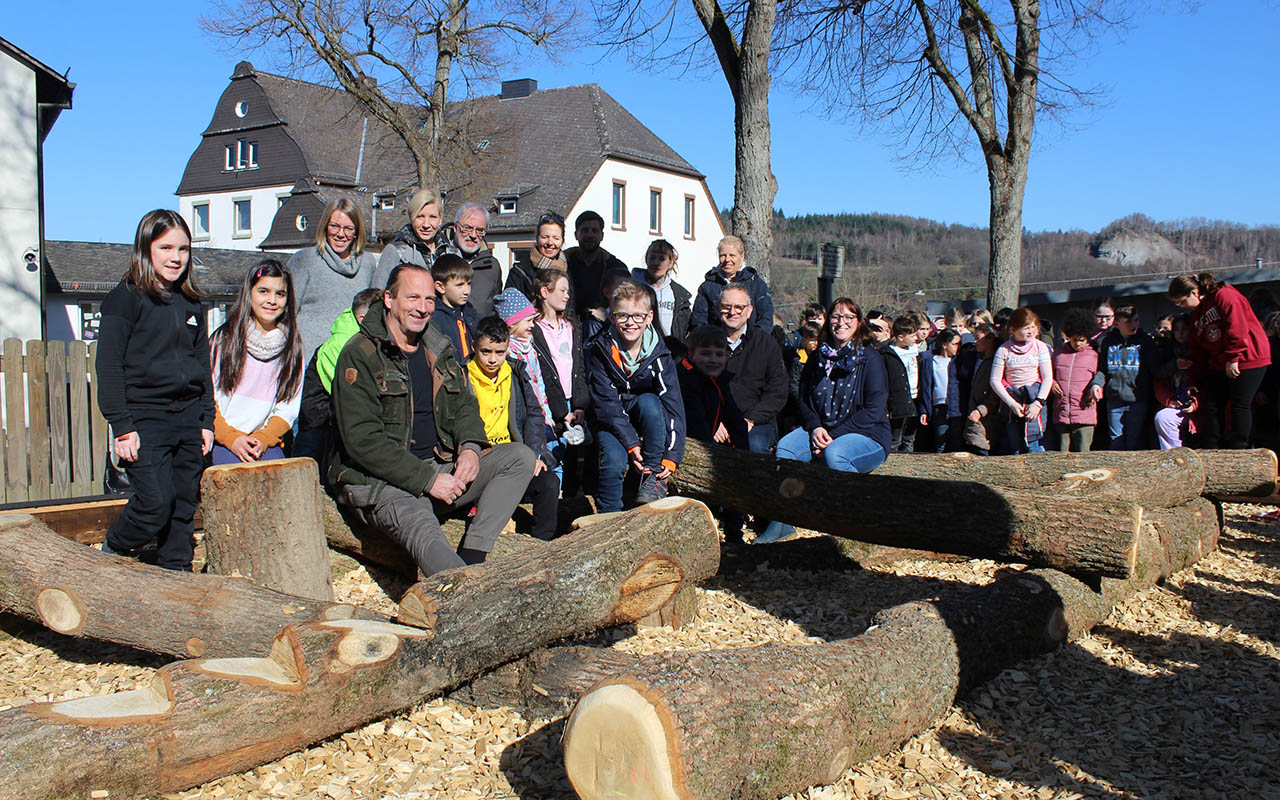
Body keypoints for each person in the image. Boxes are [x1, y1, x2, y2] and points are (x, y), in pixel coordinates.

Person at [328, 262, 535, 575]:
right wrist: (428, 481)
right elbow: (362, 441)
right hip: (384, 482)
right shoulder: (360, 354)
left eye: (428, 300)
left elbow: (464, 405)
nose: (422, 308)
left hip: (440, 464)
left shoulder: (437, 346)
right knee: (423, 525)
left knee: (519, 457)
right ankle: (463, 598)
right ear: (388, 299)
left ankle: (473, 558)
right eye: (412, 298)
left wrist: (469, 448)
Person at [96, 210, 215, 570]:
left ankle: (175, 569)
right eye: (165, 248)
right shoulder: (126, 299)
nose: (175, 257)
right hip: (144, 418)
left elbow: (201, 367)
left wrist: (206, 420)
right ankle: (114, 550)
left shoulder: (191, 303)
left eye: (183, 249)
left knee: (182, 503)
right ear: (146, 248)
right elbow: (109, 366)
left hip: (187, 417)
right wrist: (122, 426)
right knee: (155, 502)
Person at [754, 298, 891, 544]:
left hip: (867, 434)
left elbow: (874, 408)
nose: (842, 322)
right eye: (836, 317)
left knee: (835, 455)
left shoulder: (870, 358)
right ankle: (781, 524)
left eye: (849, 317)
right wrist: (816, 427)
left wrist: (832, 435)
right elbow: (804, 399)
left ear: (858, 323)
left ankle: (859, 524)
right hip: (821, 429)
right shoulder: (818, 356)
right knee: (785, 449)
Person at [585, 280, 686, 511]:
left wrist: (672, 455)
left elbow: (673, 405)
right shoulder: (600, 350)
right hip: (611, 419)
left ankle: (653, 478)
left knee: (650, 401)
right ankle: (607, 516)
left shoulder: (660, 354)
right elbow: (606, 403)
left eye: (638, 316)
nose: (630, 322)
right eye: (623, 316)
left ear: (649, 317)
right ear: (612, 317)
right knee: (613, 461)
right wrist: (631, 444)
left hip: (648, 418)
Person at [467, 317, 560, 540]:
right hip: (479, 458)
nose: (492, 360)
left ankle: (542, 545)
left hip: (514, 455)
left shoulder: (515, 374)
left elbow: (534, 414)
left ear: (508, 348)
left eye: (499, 352)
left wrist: (534, 454)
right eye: (486, 352)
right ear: (474, 348)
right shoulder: (463, 377)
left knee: (549, 483)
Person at [210, 261, 305, 465]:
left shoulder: (292, 348)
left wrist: (264, 438)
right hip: (223, 437)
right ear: (249, 293)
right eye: (263, 291)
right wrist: (231, 438)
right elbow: (209, 397)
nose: (272, 300)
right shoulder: (224, 340)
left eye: (280, 294)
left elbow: (288, 407)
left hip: (264, 440)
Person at [1169, 273, 1272, 449]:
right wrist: (1195, 379)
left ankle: (1239, 450)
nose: (1182, 306)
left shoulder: (1224, 295)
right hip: (1221, 361)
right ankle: (1213, 448)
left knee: (1239, 404)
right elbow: (1198, 350)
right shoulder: (1196, 315)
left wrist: (1233, 357)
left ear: (1194, 292)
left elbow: (1236, 326)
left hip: (1247, 356)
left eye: (1182, 301)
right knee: (1213, 404)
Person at [678, 325, 749, 542]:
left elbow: (736, 419)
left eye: (719, 354)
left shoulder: (720, 380)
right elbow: (696, 422)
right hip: (690, 446)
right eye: (706, 354)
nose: (713, 360)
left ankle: (734, 533)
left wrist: (743, 456)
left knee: (736, 473)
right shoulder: (686, 379)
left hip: (712, 444)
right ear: (692, 355)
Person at [296, 287, 383, 464]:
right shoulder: (342, 345)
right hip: (318, 421)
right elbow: (349, 388)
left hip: (332, 415)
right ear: (363, 319)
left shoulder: (361, 338)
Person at [288, 198, 378, 360]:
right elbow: (286, 313)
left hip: (350, 360)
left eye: (348, 228)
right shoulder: (305, 260)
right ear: (325, 227)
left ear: (357, 231)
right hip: (309, 362)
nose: (341, 234)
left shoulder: (367, 263)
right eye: (334, 226)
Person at [531, 268, 591, 489]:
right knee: (554, 455)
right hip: (549, 405)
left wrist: (580, 404)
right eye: (562, 290)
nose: (567, 295)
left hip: (572, 402)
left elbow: (579, 368)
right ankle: (553, 506)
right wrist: (558, 411)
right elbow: (543, 375)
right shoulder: (534, 329)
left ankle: (569, 504)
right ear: (545, 291)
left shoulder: (571, 325)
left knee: (573, 455)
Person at [718, 284, 788, 454]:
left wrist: (750, 419)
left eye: (739, 307)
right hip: (716, 421)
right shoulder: (707, 343)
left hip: (757, 422)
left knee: (753, 446)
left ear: (749, 311)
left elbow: (777, 391)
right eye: (727, 306)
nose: (732, 312)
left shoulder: (767, 345)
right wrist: (713, 420)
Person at [1089, 305, 1162, 451]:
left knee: (1134, 441)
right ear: (1117, 323)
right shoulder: (1108, 341)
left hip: (1137, 399)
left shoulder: (1145, 341)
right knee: (1116, 441)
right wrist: (1096, 384)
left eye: (1136, 320)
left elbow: (1157, 369)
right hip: (1114, 399)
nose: (1133, 325)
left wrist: (1175, 364)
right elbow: (1102, 369)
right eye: (1128, 321)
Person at [990, 307, 1053, 454]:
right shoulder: (1003, 350)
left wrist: (1038, 403)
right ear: (1013, 329)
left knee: (1032, 444)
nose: (1030, 331)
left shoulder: (1041, 347)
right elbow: (995, 379)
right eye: (1025, 328)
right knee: (1015, 446)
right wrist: (1011, 403)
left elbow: (1047, 377)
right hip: (1012, 402)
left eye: (1032, 327)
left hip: (1034, 401)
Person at [690, 235, 774, 333]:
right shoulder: (707, 287)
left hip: (751, 344)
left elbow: (766, 319)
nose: (727, 260)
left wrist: (753, 341)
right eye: (723, 255)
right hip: (717, 345)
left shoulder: (756, 284)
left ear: (742, 256)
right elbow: (698, 321)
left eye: (732, 255)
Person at [563, 210, 630, 324]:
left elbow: (626, 300)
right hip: (567, 325)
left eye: (594, 231)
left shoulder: (615, 267)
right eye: (585, 230)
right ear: (576, 235)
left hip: (603, 327)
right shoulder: (563, 263)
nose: (590, 235)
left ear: (601, 235)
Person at [1049, 308, 1101, 452]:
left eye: (1082, 340)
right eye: (1074, 340)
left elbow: (1100, 375)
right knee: (1061, 454)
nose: (1078, 344)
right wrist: (1052, 383)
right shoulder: (1058, 354)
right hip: (1061, 412)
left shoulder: (1094, 356)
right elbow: (1048, 374)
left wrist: (1096, 388)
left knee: (1083, 454)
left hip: (1084, 413)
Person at [438, 202, 503, 318]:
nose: (473, 235)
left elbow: (496, 310)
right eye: (467, 228)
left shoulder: (492, 266)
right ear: (455, 228)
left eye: (479, 230)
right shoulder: (438, 257)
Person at [373, 188, 443, 289]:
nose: (426, 224)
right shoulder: (397, 252)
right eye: (420, 217)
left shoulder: (450, 252)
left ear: (440, 219)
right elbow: (377, 294)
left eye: (432, 217)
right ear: (411, 218)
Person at [633, 238, 692, 355]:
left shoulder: (679, 295)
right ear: (646, 259)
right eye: (652, 257)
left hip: (666, 351)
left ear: (671, 263)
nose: (656, 263)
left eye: (662, 258)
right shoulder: (632, 287)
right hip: (636, 349)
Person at [1154, 315, 1199, 450]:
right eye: (1176, 330)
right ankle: (1174, 456)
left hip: (1199, 406)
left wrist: (1196, 402)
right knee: (1162, 417)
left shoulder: (1200, 352)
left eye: (1184, 329)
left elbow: (1207, 384)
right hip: (1177, 402)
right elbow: (1160, 381)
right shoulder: (1168, 353)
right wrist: (1169, 400)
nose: (1180, 333)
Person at [505, 212, 568, 303]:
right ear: (537, 238)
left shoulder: (569, 270)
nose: (550, 243)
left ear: (562, 241)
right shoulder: (520, 272)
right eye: (545, 237)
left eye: (556, 238)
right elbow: (510, 306)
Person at [880, 315, 921, 452]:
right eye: (913, 335)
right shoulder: (887, 354)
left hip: (915, 398)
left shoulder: (917, 353)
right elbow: (883, 382)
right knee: (895, 438)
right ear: (901, 337)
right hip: (897, 401)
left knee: (909, 438)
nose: (916, 338)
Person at [917, 328, 961, 452]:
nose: (957, 347)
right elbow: (925, 386)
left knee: (955, 441)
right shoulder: (931, 360)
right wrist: (924, 409)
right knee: (940, 441)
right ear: (945, 345)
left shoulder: (958, 361)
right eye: (954, 344)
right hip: (939, 406)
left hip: (955, 406)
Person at [430, 253, 478, 361]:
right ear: (440, 287)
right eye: (459, 285)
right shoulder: (435, 320)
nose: (467, 291)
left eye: (468, 284)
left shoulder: (472, 315)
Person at [962, 323, 1001, 455]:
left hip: (985, 424)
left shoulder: (994, 364)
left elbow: (995, 396)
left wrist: (981, 410)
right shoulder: (983, 361)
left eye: (979, 338)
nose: (975, 342)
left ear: (990, 338)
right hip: (977, 424)